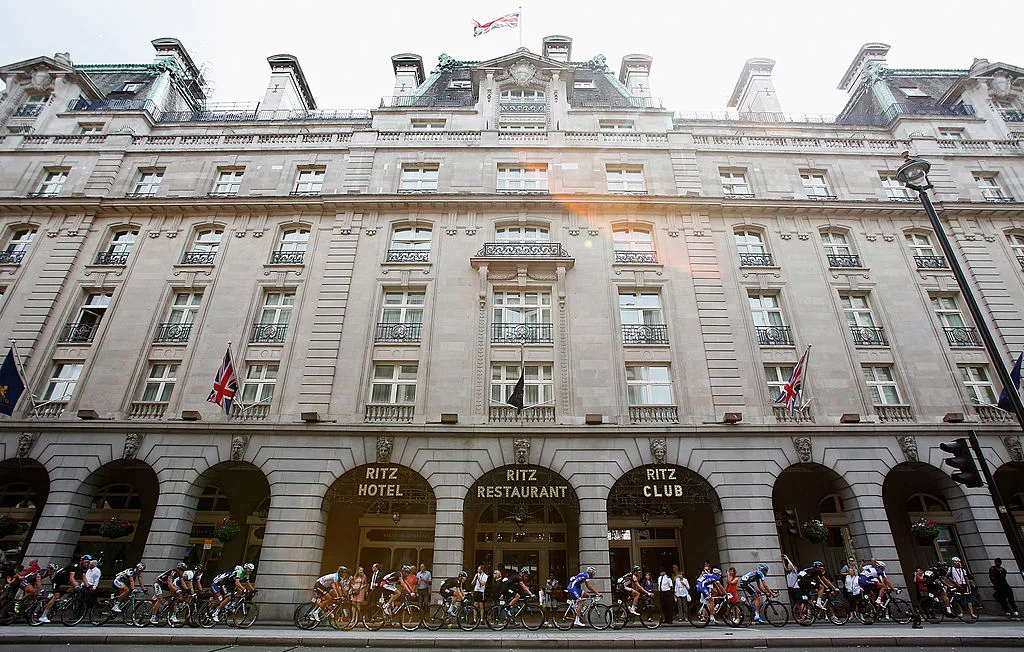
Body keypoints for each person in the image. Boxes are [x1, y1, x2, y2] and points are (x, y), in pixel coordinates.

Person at [39, 555, 88, 624]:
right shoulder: (74, 566)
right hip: (58, 579)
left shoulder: (83, 568)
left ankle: (62, 599)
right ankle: (43, 616)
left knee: (76, 585)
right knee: (56, 596)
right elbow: (72, 578)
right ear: (81, 561)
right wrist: (76, 586)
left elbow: (84, 577)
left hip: (65, 580)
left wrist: (88, 586)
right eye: (86, 562)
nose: (87, 564)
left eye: (88, 563)